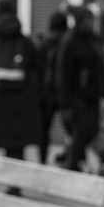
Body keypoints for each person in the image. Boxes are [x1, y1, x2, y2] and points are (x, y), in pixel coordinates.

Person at [0, 0, 44, 160]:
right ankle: (15, 177)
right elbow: (37, 71)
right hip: (19, 104)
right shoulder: (25, 42)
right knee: (16, 148)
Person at [58, 5, 104, 172]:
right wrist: (66, 103)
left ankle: (70, 157)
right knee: (82, 130)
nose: (89, 24)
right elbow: (63, 74)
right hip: (77, 95)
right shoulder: (70, 41)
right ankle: (71, 164)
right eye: (86, 20)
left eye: (91, 20)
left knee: (92, 130)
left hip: (93, 94)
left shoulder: (94, 40)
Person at [37, 9, 69, 164]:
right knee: (72, 129)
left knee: (44, 129)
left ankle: (43, 160)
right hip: (64, 92)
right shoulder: (68, 42)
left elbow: (38, 69)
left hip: (47, 92)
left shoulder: (45, 43)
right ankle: (73, 158)